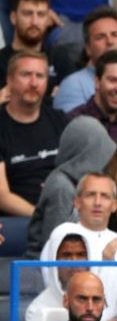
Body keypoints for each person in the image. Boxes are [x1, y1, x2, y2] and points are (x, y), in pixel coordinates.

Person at [26, 116, 116, 258]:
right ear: (87, 153)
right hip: (44, 269)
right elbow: (56, 247)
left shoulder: (76, 182)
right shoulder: (61, 187)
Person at [0, 50, 67, 216]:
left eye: (40, 76)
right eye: (26, 75)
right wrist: (41, 216)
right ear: (9, 80)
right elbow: (2, 196)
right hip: (19, 218)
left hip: (62, 210)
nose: (33, 83)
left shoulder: (60, 120)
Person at [0, 0, 55, 94]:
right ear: (13, 17)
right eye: (27, 14)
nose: (34, 21)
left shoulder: (60, 59)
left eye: (41, 14)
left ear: (48, 20)